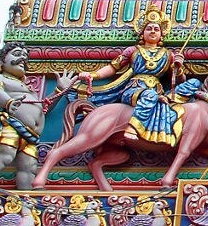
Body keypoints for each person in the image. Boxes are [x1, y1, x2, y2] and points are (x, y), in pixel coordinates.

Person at [77, 8, 185, 145]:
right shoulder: (133, 51)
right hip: (134, 89)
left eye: (156, 29)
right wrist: (93, 75)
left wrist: (179, 68)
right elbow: (113, 67)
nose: (152, 31)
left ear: (161, 34)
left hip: (157, 93)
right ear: (142, 33)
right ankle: (133, 127)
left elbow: (179, 81)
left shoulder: (168, 55)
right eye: (149, 28)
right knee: (149, 96)